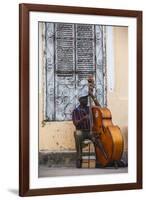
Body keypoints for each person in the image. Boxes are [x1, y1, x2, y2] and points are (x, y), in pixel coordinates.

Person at [72, 84, 101, 168]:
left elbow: (99, 107)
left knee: (98, 138)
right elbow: (75, 123)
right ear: (80, 100)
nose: (86, 100)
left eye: (86, 98)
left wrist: (92, 96)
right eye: (84, 98)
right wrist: (83, 119)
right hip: (81, 131)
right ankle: (79, 158)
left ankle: (100, 159)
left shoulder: (90, 108)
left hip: (90, 131)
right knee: (77, 134)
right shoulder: (76, 111)